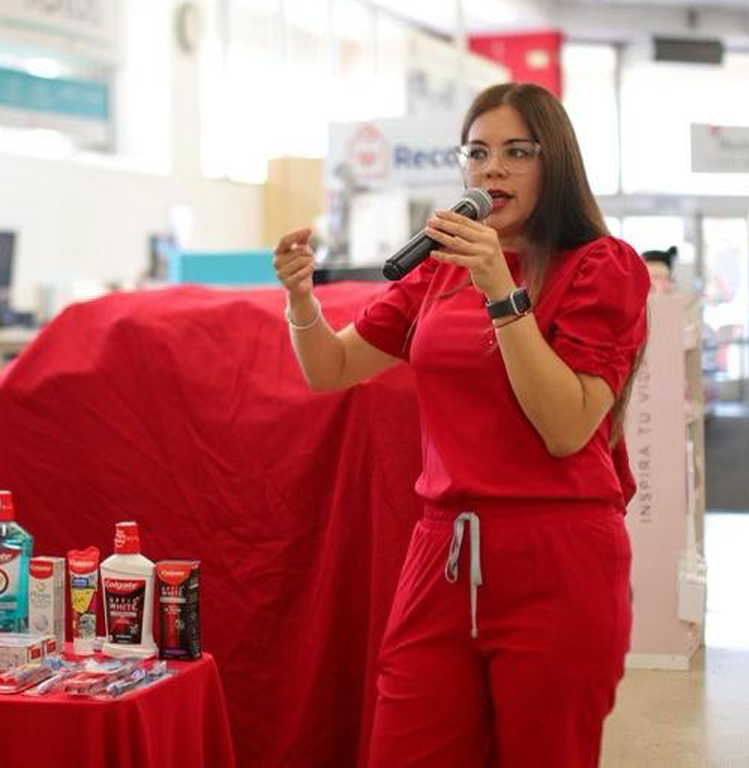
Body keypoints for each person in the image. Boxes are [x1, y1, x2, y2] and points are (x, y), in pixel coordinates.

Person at [273, 82, 649, 767]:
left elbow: (566, 426)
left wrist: (502, 295)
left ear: (554, 162)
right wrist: (300, 301)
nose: (491, 169)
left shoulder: (602, 267)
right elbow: (331, 369)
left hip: (556, 556)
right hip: (443, 552)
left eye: (516, 151)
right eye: (476, 152)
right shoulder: (439, 272)